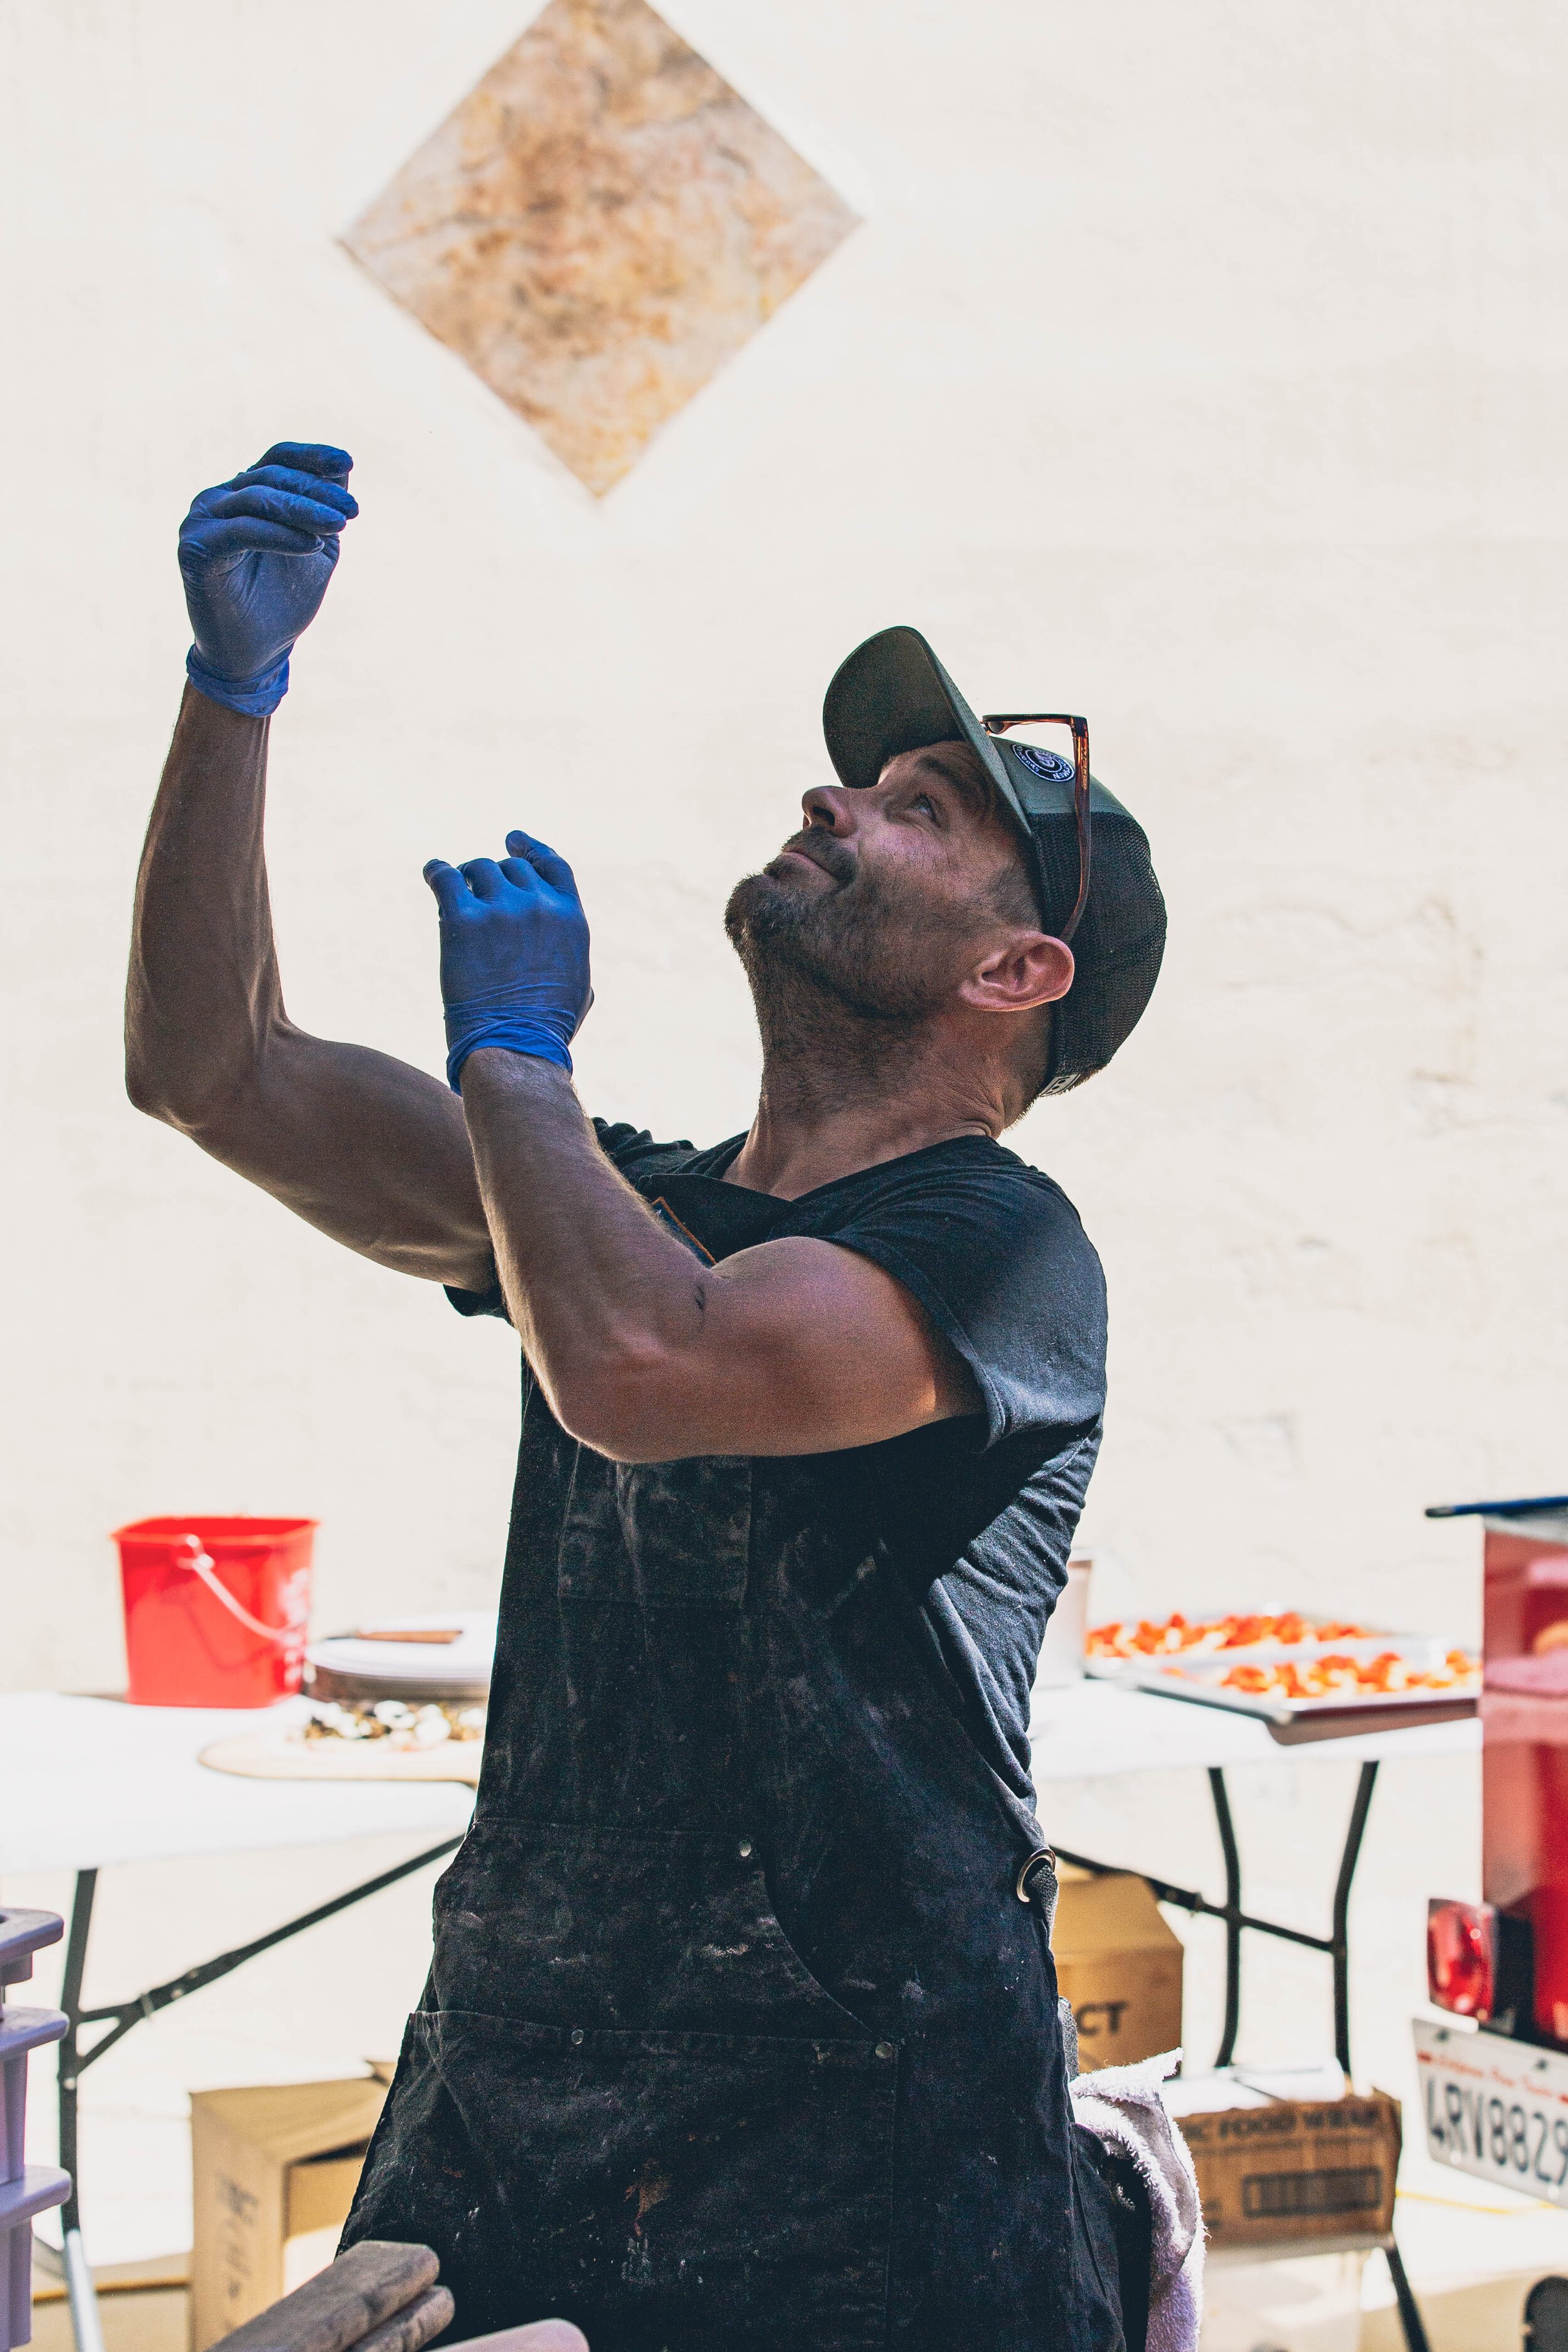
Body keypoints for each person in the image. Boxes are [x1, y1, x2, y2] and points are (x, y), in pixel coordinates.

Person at [127, 443, 1167, 2352]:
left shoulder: (1002, 1253)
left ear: (1017, 966)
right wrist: (232, 698)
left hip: (865, 2167)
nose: (835, 797)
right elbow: (215, 1068)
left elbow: (644, 1366)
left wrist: (514, 1057)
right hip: (518, 2104)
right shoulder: (612, 1211)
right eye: (863, 774)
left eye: (918, 809)